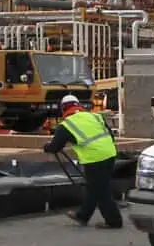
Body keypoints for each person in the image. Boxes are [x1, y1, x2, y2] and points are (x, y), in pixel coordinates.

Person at [43, 94, 123, 229]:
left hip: (94, 159)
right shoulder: (95, 116)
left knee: (101, 191)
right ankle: (83, 215)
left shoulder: (66, 125)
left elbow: (55, 147)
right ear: (78, 105)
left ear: (63, 109)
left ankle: (114, 221)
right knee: (95, 187)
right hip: (110, 153)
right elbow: (109, 134)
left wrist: (46, 147)